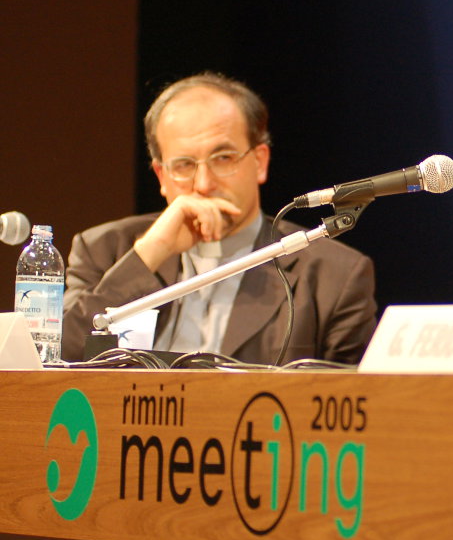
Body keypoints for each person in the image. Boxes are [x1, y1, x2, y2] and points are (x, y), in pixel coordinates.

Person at [62, 73, 377, 363]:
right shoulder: (102, 250)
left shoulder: (334, 276)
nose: (203, 184)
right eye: (184, 165)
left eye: (223, 158)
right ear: (161, 174)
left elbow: (352, 405)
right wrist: (151, 252)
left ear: (260, 162)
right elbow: (57, 357)